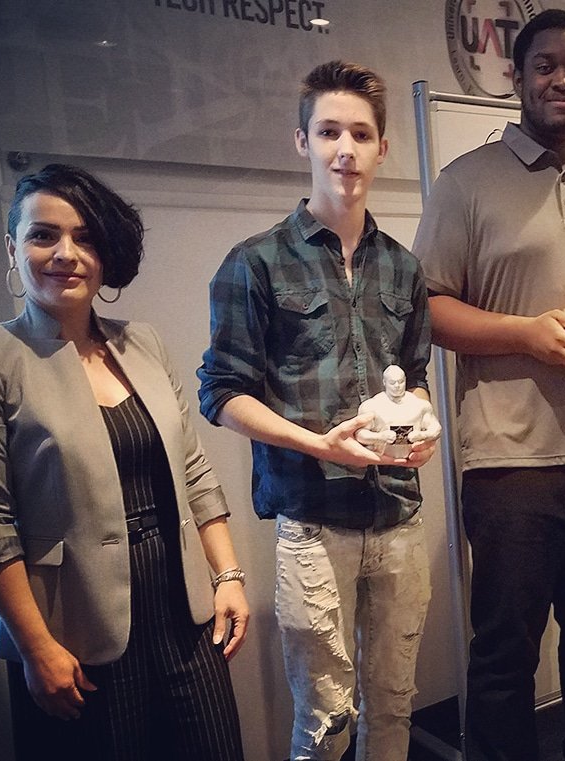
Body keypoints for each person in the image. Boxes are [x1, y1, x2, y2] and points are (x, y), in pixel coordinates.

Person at [0, 164, 248, 761]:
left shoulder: (143, 342)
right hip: (74, 630)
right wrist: (36, 648)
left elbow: (192, 469)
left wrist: (227, 574)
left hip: (183, 611)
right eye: (43, 235)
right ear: (13, 248)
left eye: (85, 237)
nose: (66, 253)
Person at [412, 10, 565, 760]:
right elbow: (426, 308)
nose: (562, 79)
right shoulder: (465, 183)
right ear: (517, 78)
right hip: (509, 462)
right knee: (503, 658)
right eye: (545, 66)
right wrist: (528, 333)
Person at [196, 61, 434, 761]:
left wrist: (419, 427)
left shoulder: (403, 267)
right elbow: (222, 393)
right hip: (311, 519)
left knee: (394, 707)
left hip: (398, 515)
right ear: (303, 141)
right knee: (326, 720)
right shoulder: (256, 263)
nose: (345, 149)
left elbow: (415, 378)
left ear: (382, 147)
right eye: (329, 131)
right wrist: (319, 444)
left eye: (360, 134)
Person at [356, 365, 442, 458]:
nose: (397, 386)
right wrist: (380, 437)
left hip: (410, 457)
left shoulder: (420, 404)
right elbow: (360, 434)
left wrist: (422, 435)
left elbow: (436, 429)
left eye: (401, 382)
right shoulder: (371, 406)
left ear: (405, 380)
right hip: (376, 459)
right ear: (384, 382)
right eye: (392, 383)